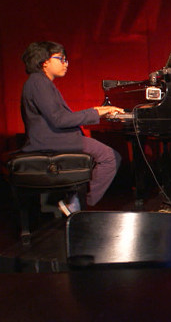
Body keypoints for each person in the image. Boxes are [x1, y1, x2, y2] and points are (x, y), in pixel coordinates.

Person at [21, 41, 125, 215]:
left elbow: (56, 117)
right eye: (61, 59)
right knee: (110, 157)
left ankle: (75, 201)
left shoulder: (40, 82)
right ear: (44, 61)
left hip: (55, 138)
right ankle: (78, 205)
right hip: (52, 140)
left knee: (102, 156)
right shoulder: (39, 83)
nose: (66, 63)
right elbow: (59, 119)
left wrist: (97, 111)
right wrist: (96, 113)